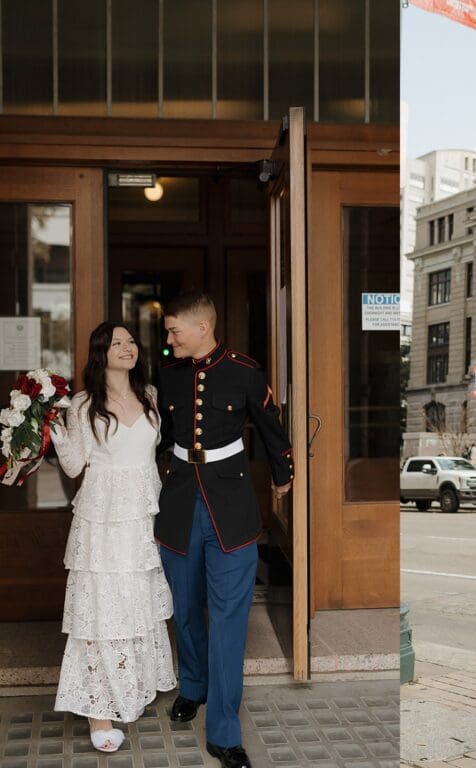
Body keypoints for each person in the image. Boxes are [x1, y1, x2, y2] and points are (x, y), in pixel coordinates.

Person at [157, 292, 294, 768]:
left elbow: (270, 426)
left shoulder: (243, 371)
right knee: (186, 606)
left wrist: (283, 473)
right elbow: (158, 438)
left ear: (202, 328)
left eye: (174, 330)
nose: (168, 338)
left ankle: (224, 732)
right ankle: (192, 685)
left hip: (231, 507)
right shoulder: (169, 374)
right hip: (177, 503)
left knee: (230, 618)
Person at [50, 322, 176, 753]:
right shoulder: (84, 404)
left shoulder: (152, 396)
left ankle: (131, 688)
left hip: (144, 513)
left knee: (135, 600)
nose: (127, 348)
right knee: (101, 607)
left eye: (130, 341)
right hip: (102, 517)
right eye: (115, 343)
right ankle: (98, 711)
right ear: (100, 354)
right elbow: (71, 467)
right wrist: (50, 431)